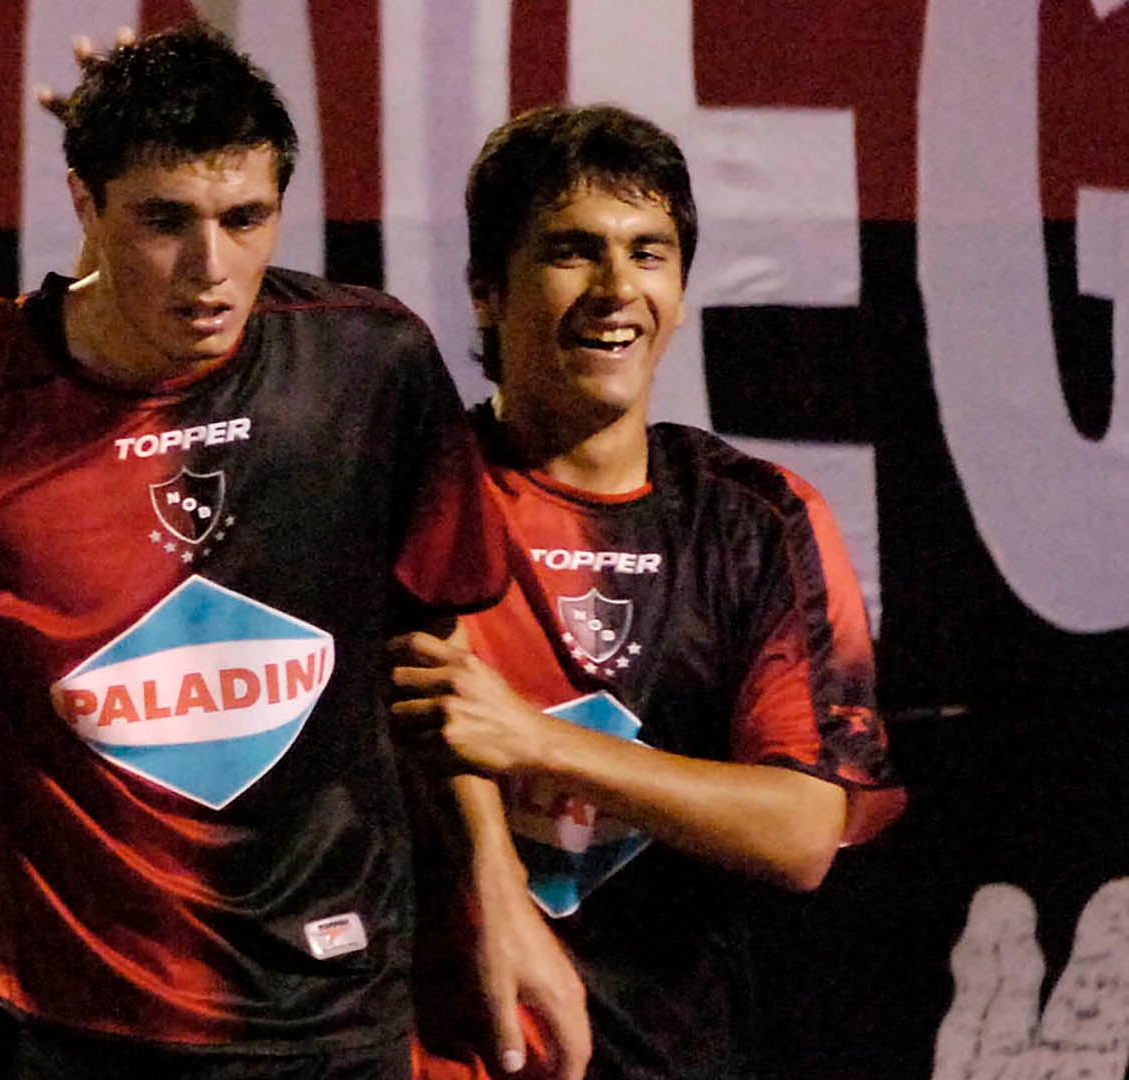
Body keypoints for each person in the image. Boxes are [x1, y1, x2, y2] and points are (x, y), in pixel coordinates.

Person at [0, 23, 523, 1079]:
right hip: (51, 1023)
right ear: (85, 202)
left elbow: (436, 662)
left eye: (246, 219)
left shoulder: (370, 367)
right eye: (165, 221)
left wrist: (498, 897)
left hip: (330, 1002)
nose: (211, 268)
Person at [390, 104, 904, 1079]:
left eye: (648, 253)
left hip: (679, 1052)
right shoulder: (407, 492)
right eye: (573, 251)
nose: (617, 289)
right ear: (486, 290)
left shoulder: (759, 520)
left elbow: (803, 833)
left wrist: (539, 742)